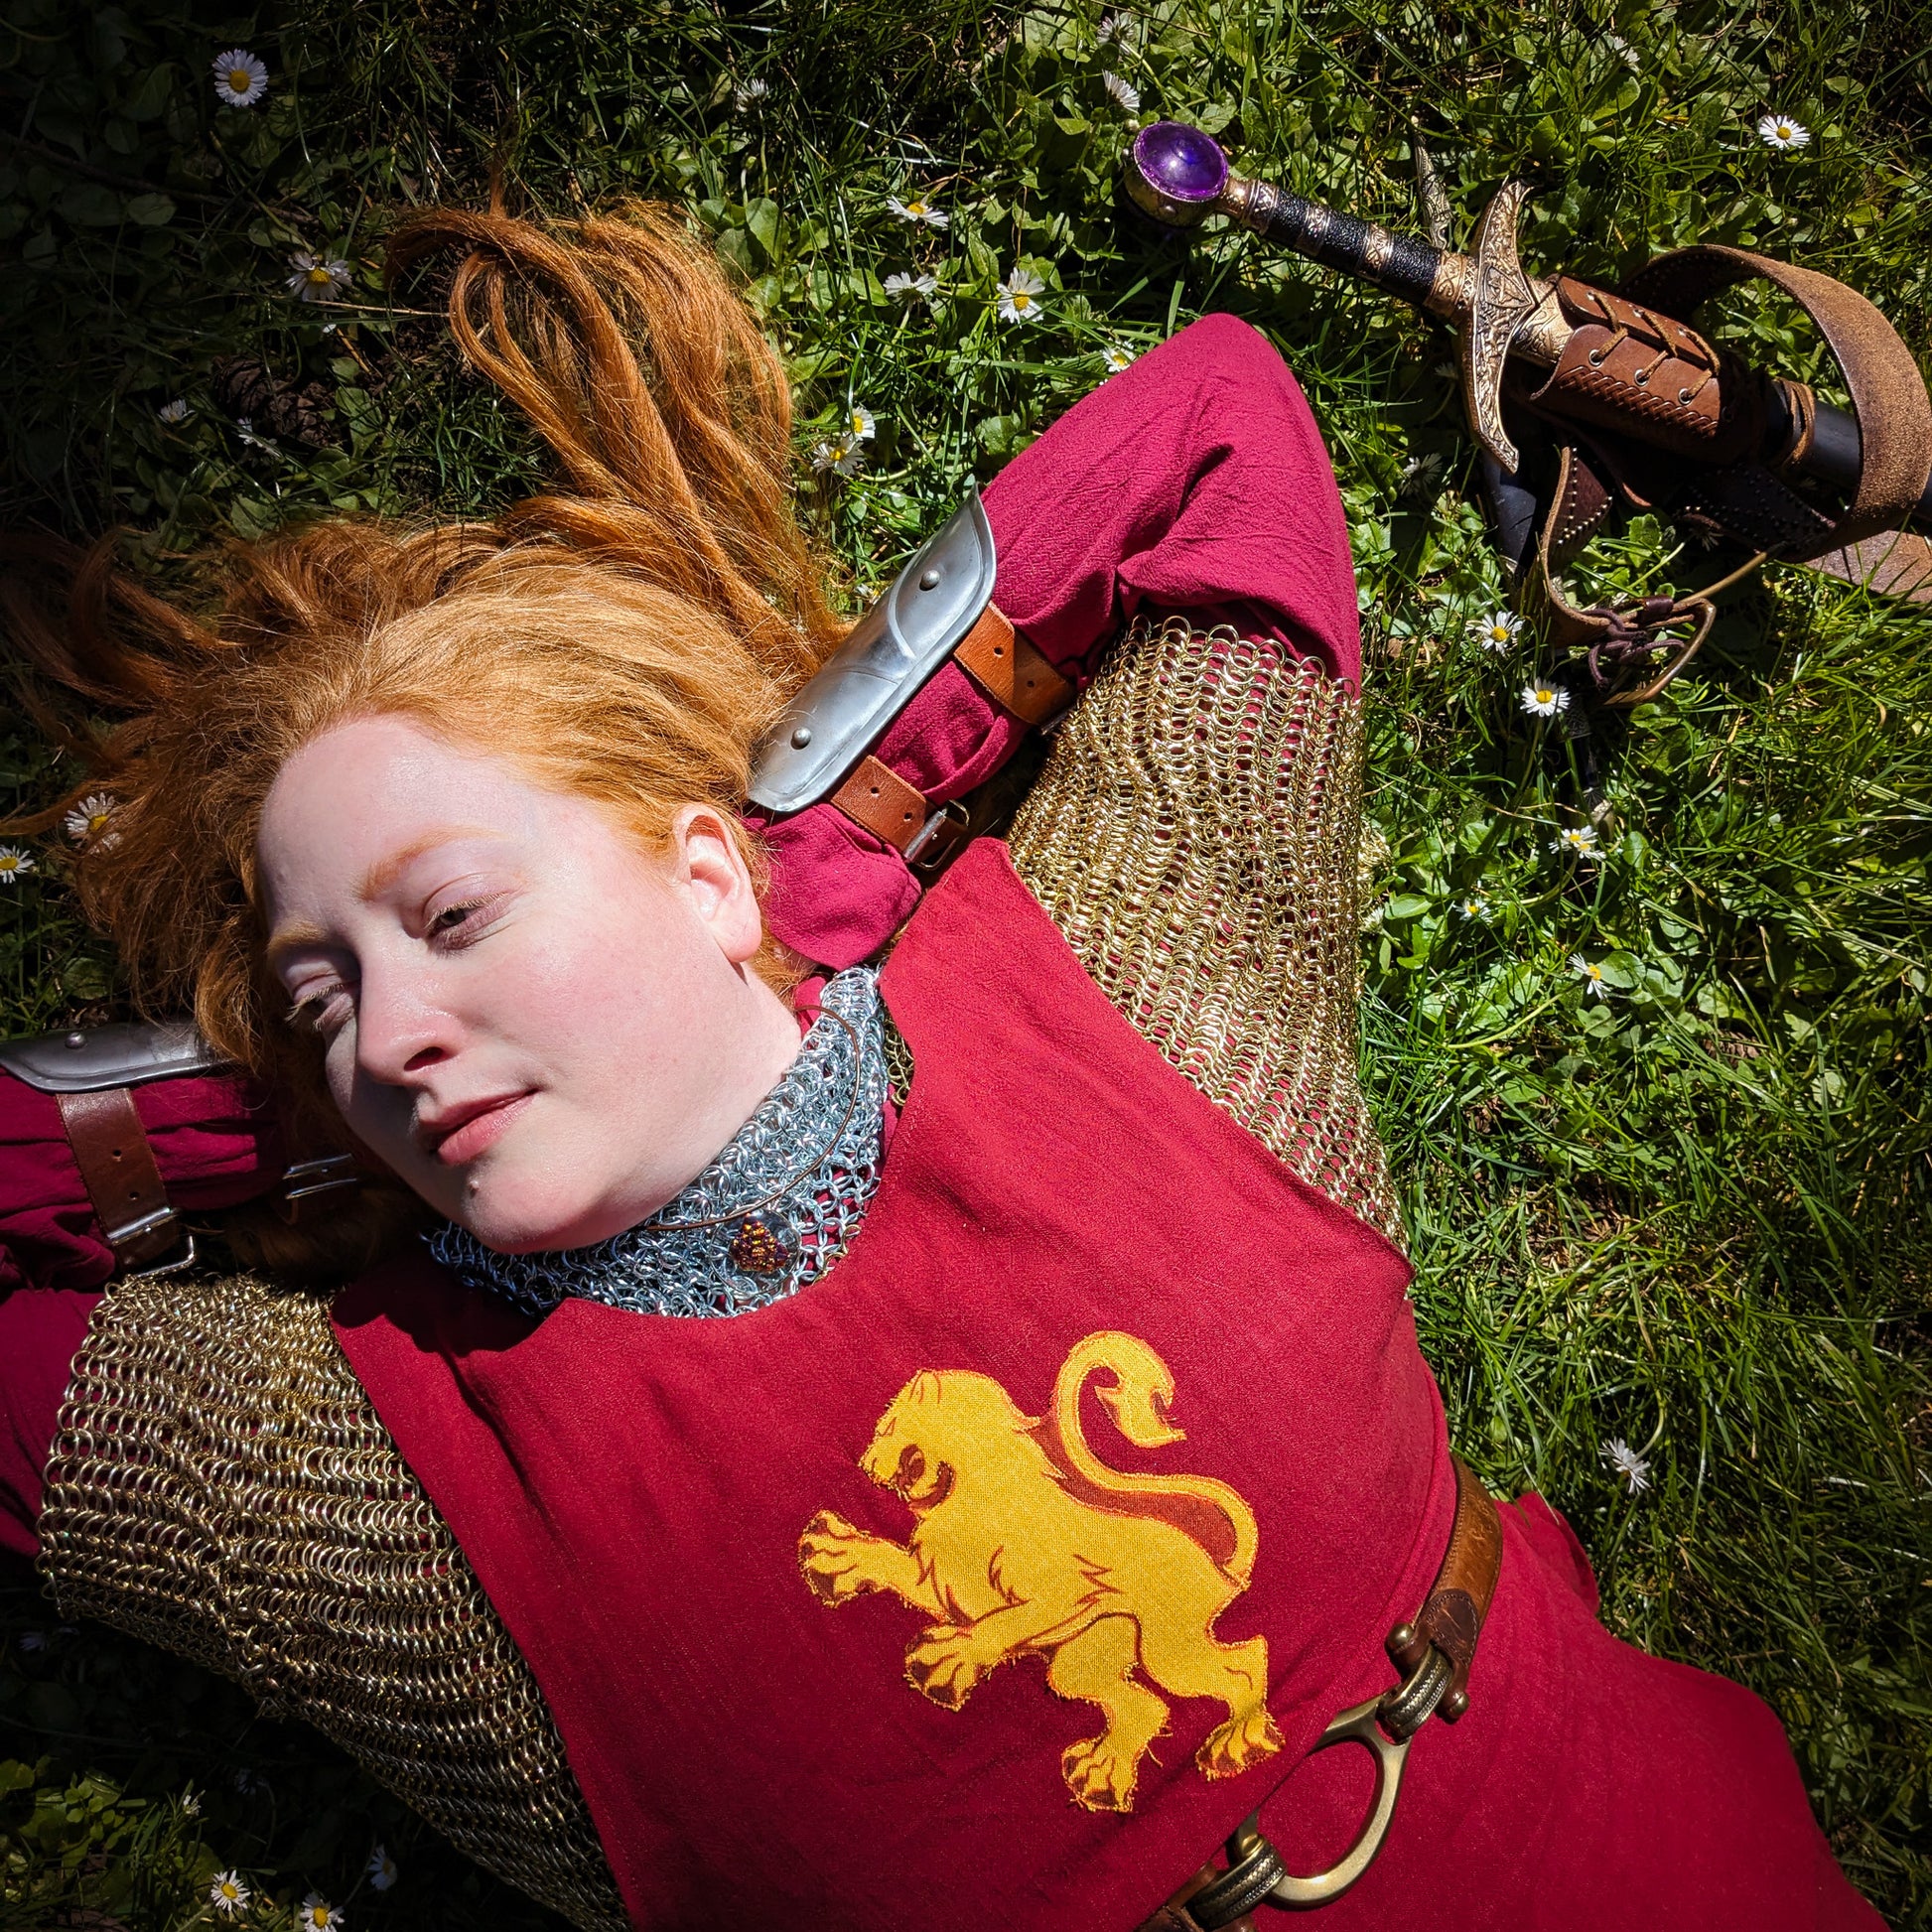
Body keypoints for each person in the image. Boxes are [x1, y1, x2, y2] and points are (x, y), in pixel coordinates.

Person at [0, 200, 1877, 1932]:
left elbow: (1211, 428)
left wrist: (826, 841)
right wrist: (256, 1099)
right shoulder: (376, 1473)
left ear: (701, 862)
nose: (391, 1030)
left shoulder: (1121, 999)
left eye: (458, 918)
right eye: (325, 993)